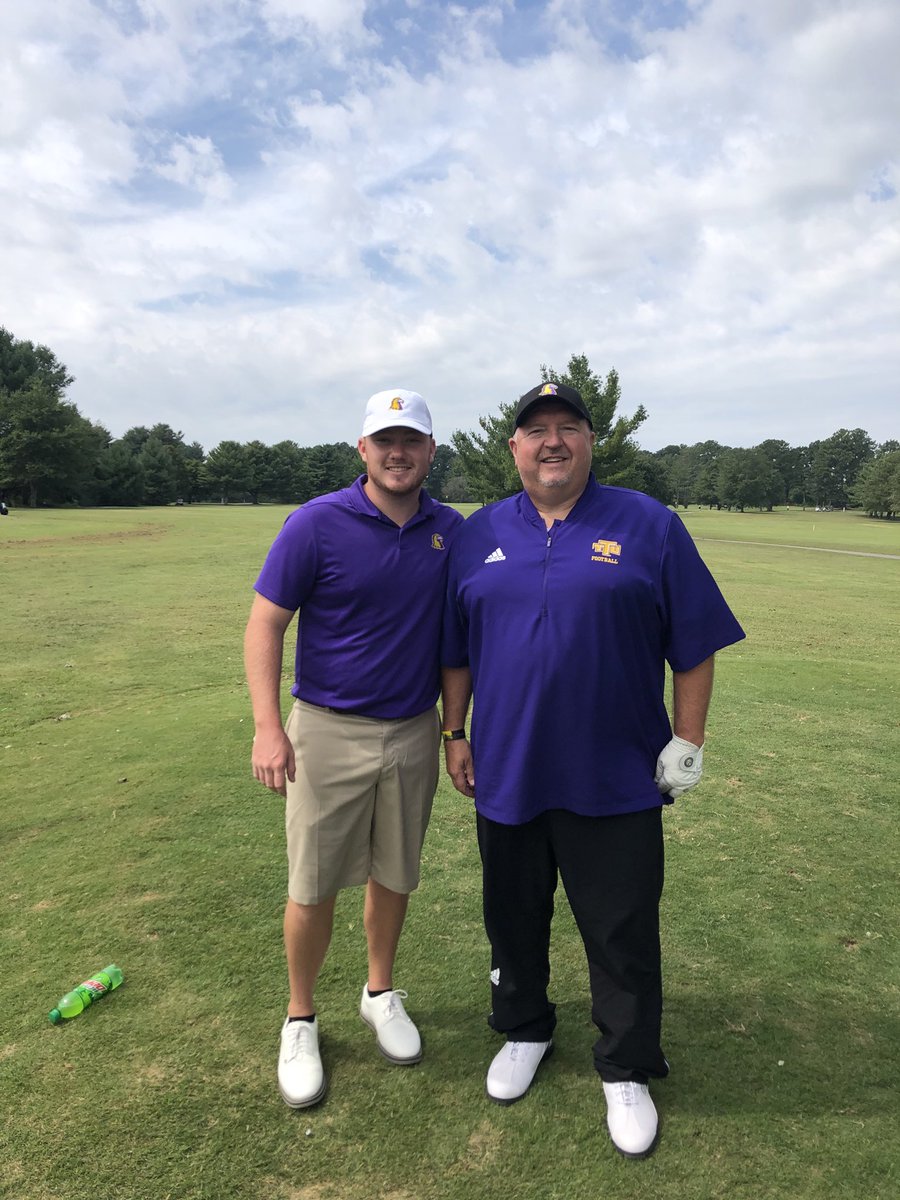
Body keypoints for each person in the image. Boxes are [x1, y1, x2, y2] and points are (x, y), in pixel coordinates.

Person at [440, 381, 745, 1158]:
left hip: (616, 776)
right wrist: (455, 731)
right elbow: (456, 650)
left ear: (589, 441)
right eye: (534, 430)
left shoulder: (650, 524)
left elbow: (695, 644)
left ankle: (626, 1064)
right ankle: (524, 1029)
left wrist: (689, 740)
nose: (551, 442)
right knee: (512, 915)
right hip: (509, 768)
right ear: (512, 447)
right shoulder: (478, 535)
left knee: (620, 928)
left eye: (567, 428)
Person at [245, 388, 463, 1109]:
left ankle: (379, 992)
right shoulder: (316, 523)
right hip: (327, 730)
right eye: (385, 440)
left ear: (431, 451)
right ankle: (300, 1017)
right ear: (362, 449)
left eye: (412, 441)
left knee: (395, 872)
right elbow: (265, 625)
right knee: (311, 884)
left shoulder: (449, 531)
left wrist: (454, 728)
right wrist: (268, 725)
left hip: (411, 728)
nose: (398, 453)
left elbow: (462, 638)